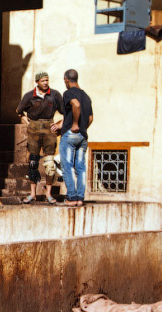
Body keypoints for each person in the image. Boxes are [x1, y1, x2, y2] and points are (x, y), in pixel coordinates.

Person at [16, 72, 64, 205]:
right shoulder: (29, 96)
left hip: (49, 127)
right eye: (43, 81)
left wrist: (59, 124)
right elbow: (19, 111)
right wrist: (28, 122)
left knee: (49, 164)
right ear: (37, 82)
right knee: (33, 162)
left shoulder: (54, 95)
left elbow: (65, 112)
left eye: (47, 80)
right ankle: (33, 193)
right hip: (34, 129)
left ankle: (48, 194)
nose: (45, 83)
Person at [51, 69, 93, 208]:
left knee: (67, 166)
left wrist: (75, 124)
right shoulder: (86, 96)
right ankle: (80, 198)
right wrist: (82, 128)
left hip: (70, 135)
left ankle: (71, 197)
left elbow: (76, 105)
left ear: (66, 79)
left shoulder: (68, 93)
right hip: (82, 136)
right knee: (80, 167)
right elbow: (91, 118)